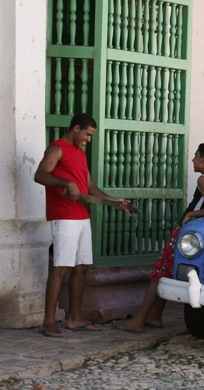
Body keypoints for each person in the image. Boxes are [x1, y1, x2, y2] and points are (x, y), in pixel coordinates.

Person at [113, 143, 204, 334]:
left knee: (158, 273)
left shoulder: (203, 180)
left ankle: (139, 320)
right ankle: (155, 316)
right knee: (168, 271)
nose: (192, 160)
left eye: (195, 156)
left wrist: (192, 215)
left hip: (186, 233)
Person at [34, 113, 131, 338]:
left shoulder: (80, 154)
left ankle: (74, 318)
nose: (88, 139)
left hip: (82, 216)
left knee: (82, 267)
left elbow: (87, 186)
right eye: (87, 134)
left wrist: (112, 200)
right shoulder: (57, 148)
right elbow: (40, 175)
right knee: (61, 267)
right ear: (76, 128)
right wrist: (65, 183)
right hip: (64, 216)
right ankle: (48, 321)